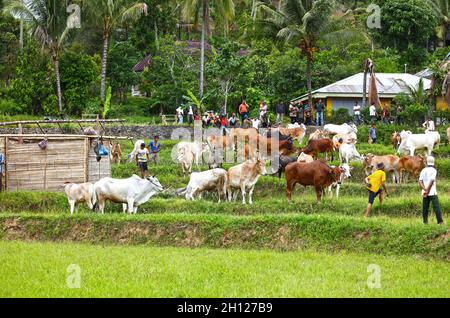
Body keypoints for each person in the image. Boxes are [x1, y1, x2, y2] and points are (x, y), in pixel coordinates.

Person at [419, 156, 444, 225]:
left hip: (424, 192)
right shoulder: (434, 170)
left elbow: (420, 181)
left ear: (427, 162)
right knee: (436, 207)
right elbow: (432, 181)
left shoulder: (423, 170)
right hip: (432, 192)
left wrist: (425, 189)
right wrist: (428, 191)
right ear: (433, 162)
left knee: (425, 208)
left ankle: (425, 222)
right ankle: (440, 222)